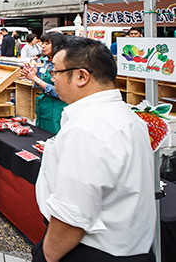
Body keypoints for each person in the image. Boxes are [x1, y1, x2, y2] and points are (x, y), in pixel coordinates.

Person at [33, 37, 155, 262]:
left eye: (55, 72)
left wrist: (47, 254)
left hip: (91, 250)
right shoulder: (129, 118)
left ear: (81, 76)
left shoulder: (87, 128)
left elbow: (72, 215)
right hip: (130, 248)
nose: (53, 78)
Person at [20, 32, 67, 134]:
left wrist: (37, 80)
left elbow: (60, 92)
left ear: (56, 45)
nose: (42, 46)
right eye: (42, 43)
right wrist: (34, 76)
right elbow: (43, 85)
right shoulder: (46, 62)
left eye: (47, 43)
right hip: (43, 108)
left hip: (56, 110)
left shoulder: (63, 64)